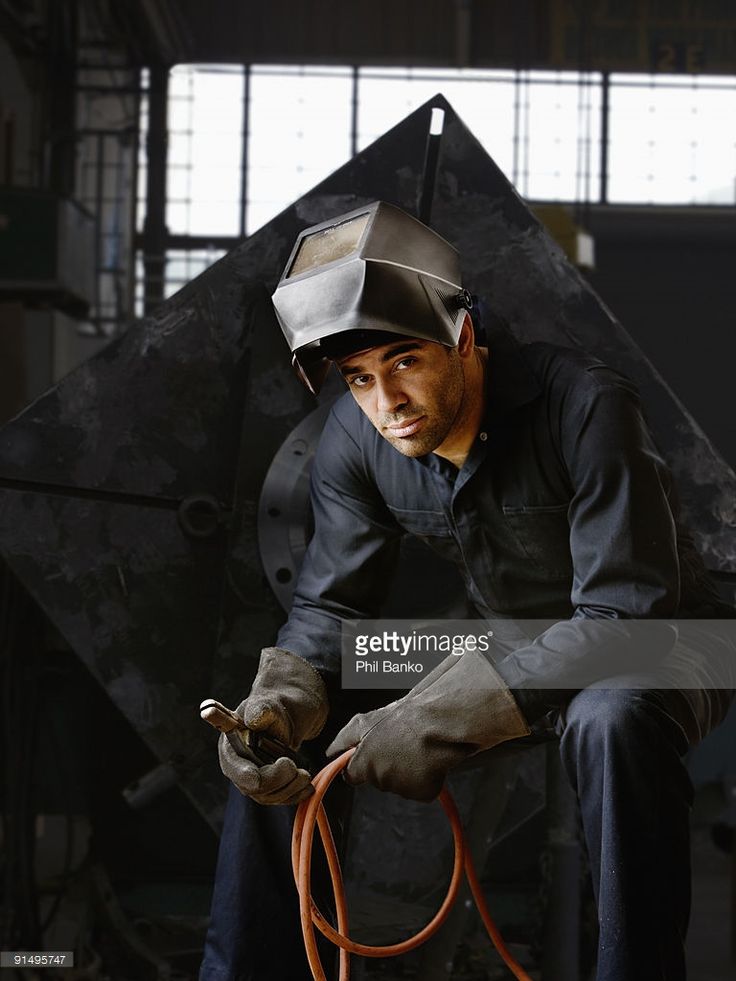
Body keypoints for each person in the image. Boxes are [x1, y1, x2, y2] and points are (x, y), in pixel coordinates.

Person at [199, 201, 734, 981]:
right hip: (507, 643)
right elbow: (331, 610)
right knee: (279, 732)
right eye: (360, 378)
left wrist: (432, 715)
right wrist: (283, 695)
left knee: (609, 713)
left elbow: (622, 618)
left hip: (668, 638)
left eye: (405, 362)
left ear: (463, 335)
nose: (387, 403)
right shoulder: (354, 437)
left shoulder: (584, 404)